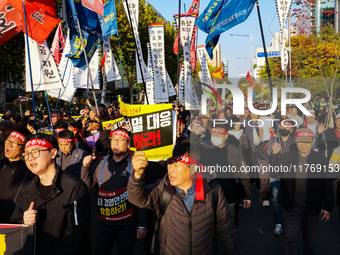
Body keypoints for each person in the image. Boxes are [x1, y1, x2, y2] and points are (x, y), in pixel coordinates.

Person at [128, 143, 239, 255]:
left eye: (176, 165)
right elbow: (137, 199)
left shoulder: (212, 190)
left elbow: (225, 230)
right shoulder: (163, 188)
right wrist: (137, 175)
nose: (170, 170)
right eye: (169, 164)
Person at [11, 133, 91, 255]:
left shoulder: (74, 187)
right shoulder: (27, 189)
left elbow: (77, 234)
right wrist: (23, 222)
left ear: (53, 153)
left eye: (35, 152)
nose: (30, 158)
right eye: (26, 154)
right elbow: (13, 226)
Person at [81, 127, 147, 255]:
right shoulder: (101, 162)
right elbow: (87, 185)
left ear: (128, 144)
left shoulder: (135, 164)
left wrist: (142, 225)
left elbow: (141, 195)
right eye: (113, 139)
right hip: (105, 223)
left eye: (120, 140)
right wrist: (85, 167)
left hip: (127, 224)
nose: (115, 143)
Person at [270, 128, 334, 255]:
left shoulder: (321, 159)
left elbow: (327, 184)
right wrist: (274, 155)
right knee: (290, 238)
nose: (303, 145)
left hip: (312, 207)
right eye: (300, 142)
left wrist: (328, 207)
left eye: (307, 142)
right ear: (295, 141)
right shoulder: (287, 157)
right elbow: (275, 172)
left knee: (310, 241)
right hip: (291, 206)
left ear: (313, 141)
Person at [266, 120, 296, 236]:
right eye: (282, 126)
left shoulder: (294, 141)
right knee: (276, 201)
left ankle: (290, 221)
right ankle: (278, 224)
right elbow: (268, 154)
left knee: (291, 199)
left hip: (290, 176)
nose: (284, 129)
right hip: (276, 176)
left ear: (291, 129)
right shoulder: (273, 140)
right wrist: (274, 151)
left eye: (286, 127)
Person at [0, 127, 33, 223]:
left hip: (17, 228)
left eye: (14, 142)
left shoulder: (31, 171)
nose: (9, 144)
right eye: (8, 140)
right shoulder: (1, 166)